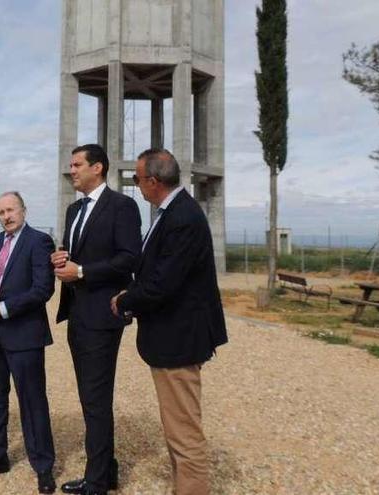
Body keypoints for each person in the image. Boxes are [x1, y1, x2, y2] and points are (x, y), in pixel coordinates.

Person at [111, 149, 228, 495]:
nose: (137, 185)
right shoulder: (172, 212)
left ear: (153, 181)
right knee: (176, 426)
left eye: (137, 178)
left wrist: (125, 299)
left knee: (184, 431)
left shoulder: (182, 217)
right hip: (171, 337)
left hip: (180, 340)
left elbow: (163, 282)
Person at [51, 144, 142, 495]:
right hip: (76, 314)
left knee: (95, 398)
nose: (71, 170)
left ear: (98, 168)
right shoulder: (74, 209)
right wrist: (60, 258)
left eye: (77, 165)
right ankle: (108, 469)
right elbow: (72, 253)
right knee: (92, 396)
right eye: (70, 165)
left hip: (103, 317)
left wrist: (83, 271)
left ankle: (97, 481)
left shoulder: (122, 206)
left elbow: (129, 259)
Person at [0, 191, 57, 494]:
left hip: (24, 333)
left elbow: (43, 289)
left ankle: (43, 466)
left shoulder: (38, 242)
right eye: (1, 212)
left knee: (32, 402)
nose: (7, 216)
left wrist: (2, 308)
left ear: (23, 210)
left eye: (11, 210)